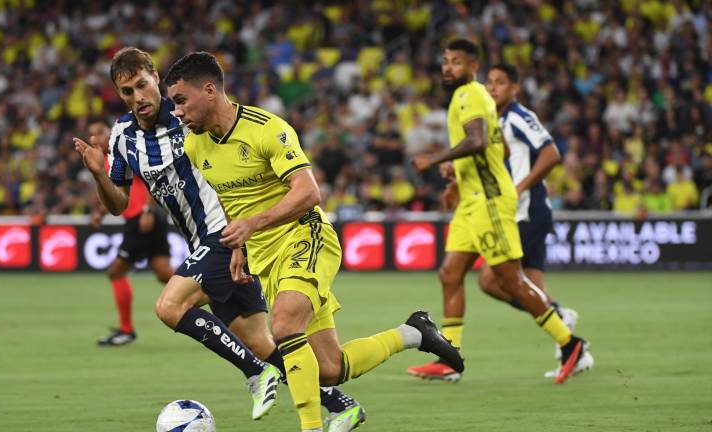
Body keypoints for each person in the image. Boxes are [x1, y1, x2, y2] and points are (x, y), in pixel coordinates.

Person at [166, 51, 464, 432]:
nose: (177, 111)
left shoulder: (266, 129)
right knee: (328, 369)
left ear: (209, 90)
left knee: (284, 324)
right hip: (266, 258)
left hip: (305, 236)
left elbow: (309, 192)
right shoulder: (196, 146)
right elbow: (228, 197)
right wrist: (237, 245)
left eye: (181, 100)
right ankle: (414, 332)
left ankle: (310, 427)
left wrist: (253, 224)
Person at [74, 47, 363, 429]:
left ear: (155, 78)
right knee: (263, 345)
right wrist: (99, 174)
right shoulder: (123, 136)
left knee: (169, 306)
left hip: (224, 232)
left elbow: (234, 135)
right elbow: (118, 203)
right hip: (209, 245)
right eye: (127, 91)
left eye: (142, 85)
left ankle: (255, 373)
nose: (137, 97)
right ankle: (340, 404)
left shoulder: (189, 114)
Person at [409, 39, 589, 385]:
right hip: (471, 201)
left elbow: (478, 141)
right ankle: (450, 357)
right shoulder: (474, 98)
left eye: (456, 62)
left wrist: (434, 159)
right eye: (445, 61)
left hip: (490, 201)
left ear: (472, 66)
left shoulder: (471, 94)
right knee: (450, 274)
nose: (448, 67)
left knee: (509, 280)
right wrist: (457, 172)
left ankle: (570, 344)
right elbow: (499, 146)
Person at [86, 116, 173, 346]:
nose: (95, 137)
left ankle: (126, 330)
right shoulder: (104, 160)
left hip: (142, 218)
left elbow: (151, 177)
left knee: (115, 272)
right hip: (145, 219)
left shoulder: (123, 149)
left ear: (109, 132)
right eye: (91, 134)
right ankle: (219, 298)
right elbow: (115, 193)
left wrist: (147, 210)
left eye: (99, 132)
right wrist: (100, 213)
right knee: (164, 274)